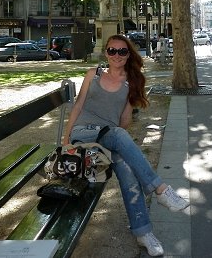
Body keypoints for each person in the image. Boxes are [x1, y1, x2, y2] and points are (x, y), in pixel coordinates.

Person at [63, 34, 189, 257]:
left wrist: (130, 102)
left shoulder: (132, 82)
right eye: (112, 50)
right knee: (119, 135)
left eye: (122, 51)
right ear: (106, 53)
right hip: (83, 135)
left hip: (108, 138)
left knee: (128, 170)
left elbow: (123, 122)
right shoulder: (93, 74)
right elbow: (78, 106)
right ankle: (161, 190)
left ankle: (143, 232)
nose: (117, 55)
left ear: (129, 54)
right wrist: (66, 139)